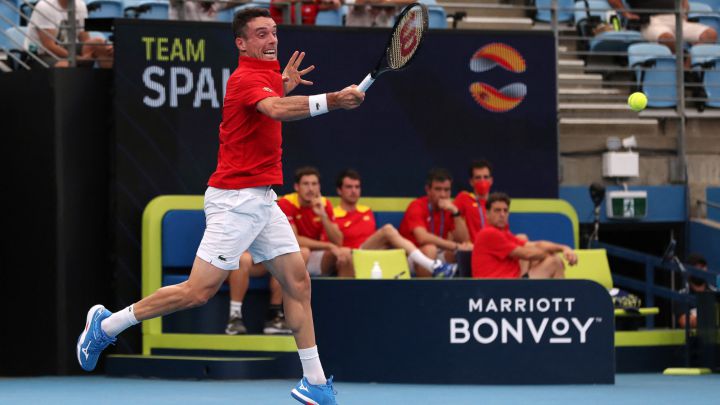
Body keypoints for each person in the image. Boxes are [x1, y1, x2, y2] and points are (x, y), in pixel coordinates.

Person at [76, 8, 364, 404]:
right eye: (261, 34)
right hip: (234, 202)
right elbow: (275, 110)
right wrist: (332, 100)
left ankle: (314, 383)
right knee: (197, 292)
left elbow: (270, 105)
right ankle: (107, 325)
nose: (271, 40)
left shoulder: (267, 75)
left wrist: (281, 84)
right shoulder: (245, 78)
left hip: (262, 199)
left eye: (274, 32)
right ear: (241, 43)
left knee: (298, 282)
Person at [333, 169, 458, 277]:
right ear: (339, 190)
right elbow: (332, 244)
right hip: (351, 254)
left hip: (370, 255)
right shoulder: (333, 214)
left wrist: (456, 213)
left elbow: (375, 242)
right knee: (387, 230)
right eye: (349, 187)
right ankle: (432, 265)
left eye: (357, 187)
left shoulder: (367, 211)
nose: (354, 191)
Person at [472, 192, 576, 279]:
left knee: (523, 240)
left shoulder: (504, 233)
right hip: (497, 289)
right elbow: (527, 254)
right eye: (497, 210)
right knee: (554, 262)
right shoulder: (489, 233)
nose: (502, 214)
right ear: (487, 214)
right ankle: (561, 301)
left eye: (505, 210)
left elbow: (536, 244)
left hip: (512, 282)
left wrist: (564, 248)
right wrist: (552, 254)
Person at [278, 167, 354, 277]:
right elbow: (294, 240)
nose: (310, 189)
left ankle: (344, 293)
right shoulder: (286, 203)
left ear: (319, 187)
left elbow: (338, 241)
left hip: (315, 255)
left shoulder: (324, 203)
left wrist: (323, 215)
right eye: (306, 184)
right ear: (297, 187)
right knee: (304, 252)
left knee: (345, 253)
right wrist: (328, 246)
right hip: (292, 254)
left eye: (314, 184)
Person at [398, 168, 472, 277]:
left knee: (466, 251)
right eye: (438, 189)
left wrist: (455, 212)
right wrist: (455, 246)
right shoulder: (417, 205)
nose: (443, 195)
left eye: (447, 190)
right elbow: (422, 238)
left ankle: (457, 292)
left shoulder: (449, 209)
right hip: (412, 256)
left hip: (437, 254)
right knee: (430, 249)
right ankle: (426, 292)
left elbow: (464, 240)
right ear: (428, 190)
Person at [225, 250, 311, 335]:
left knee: (285, 258)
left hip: (258, 260)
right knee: (244, 258)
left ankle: (274, 316)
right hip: (226, 262)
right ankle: (234, 317)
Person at [25, 0, 113, 68]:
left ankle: (109, 87)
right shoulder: (45, 6)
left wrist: (106, 46)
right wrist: (77, 59)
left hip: (68, 48)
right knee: (65, 65)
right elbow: (49, 46)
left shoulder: (81, 5)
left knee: (99, 44)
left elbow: (86, 40)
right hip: (40, 55)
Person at [608, 0, 717, 54]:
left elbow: (684, 3)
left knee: (710, 34)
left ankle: (687, 65)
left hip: (677, 20)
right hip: (651, 22)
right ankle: (682, 64)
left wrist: (684, 12)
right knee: (667, 38)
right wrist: (625, 14)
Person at [453, 159, 494, 243]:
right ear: (471, 182)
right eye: (478, 178)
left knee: (522, 238)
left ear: (491, 181)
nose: (482, 181)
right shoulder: (463, 198)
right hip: (472, 249)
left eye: (485, 177)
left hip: (493, 248)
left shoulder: (496, 203)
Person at [674, 253, 717, 328]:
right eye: (696, 267)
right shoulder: (682, 295)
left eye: (703, 267)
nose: (700, 270)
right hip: (691, 338)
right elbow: (684, 322)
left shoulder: (714, 292)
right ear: (688, 270)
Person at [346, 0, 413, 27]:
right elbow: (359, 2)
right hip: (356, 41)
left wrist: (386, 2)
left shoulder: (388, 4)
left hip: (381, 44)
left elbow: (412, 1)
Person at [270, 0, 342, 25]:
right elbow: (276, 3)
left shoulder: (313, 4)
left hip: (307, 34)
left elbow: (336, 5)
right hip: (285, 33)